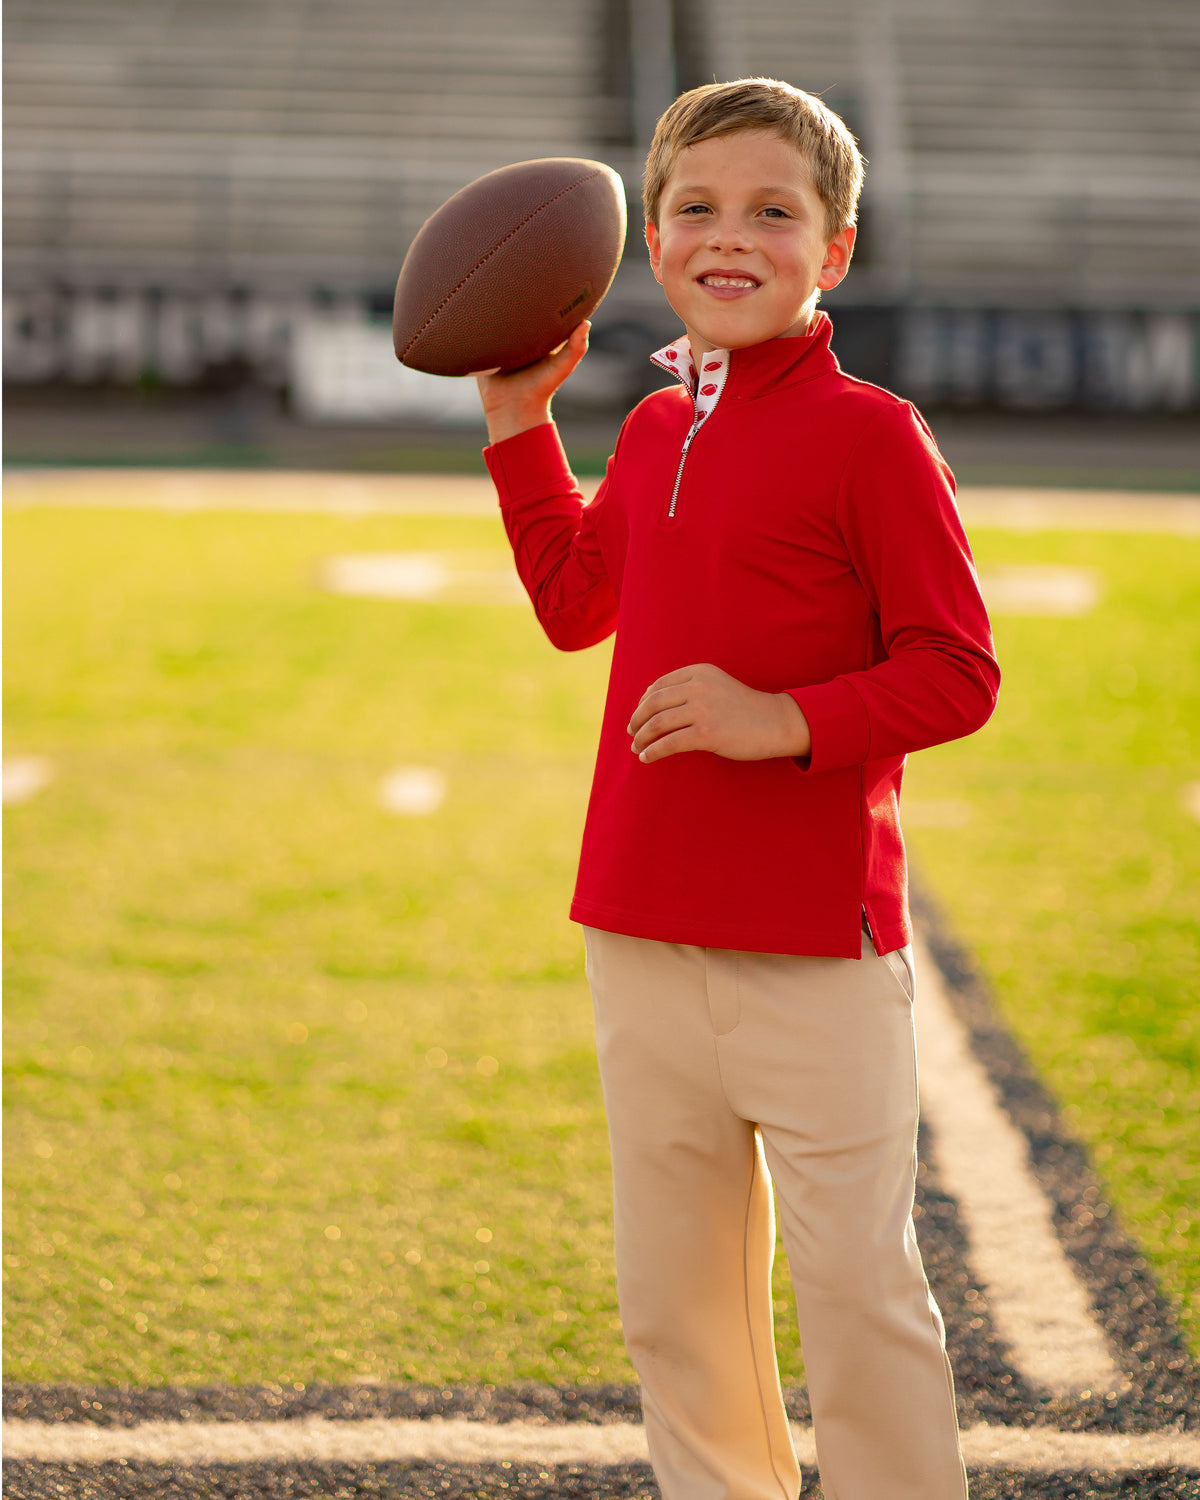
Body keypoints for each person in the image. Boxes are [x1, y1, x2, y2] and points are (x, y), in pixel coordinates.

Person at [476, 77, 999, 1500]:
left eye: (775, 213)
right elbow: (576, 603)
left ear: (835, 250)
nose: (730, 238)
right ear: (649, 240)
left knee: (857, 1296)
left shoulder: (873, 434)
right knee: (678, 1305)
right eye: (697, 209)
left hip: (816, 943)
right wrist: (520, 422)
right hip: (639, 921)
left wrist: (783, 719)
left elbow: (959, 672)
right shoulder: (655, 427)